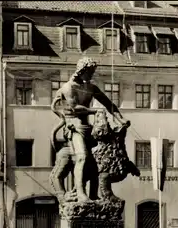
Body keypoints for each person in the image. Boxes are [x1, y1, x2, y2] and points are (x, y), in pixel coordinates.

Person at [50, 57, 130, 202]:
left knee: (95, 162)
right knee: (82, 157)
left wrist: (120, 119)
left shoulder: (91, 88)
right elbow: (75, 108)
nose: (92, 74)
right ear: (82, 71)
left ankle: (93, 194)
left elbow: (109, 104)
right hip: (74, 127)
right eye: (90, 71)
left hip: (88, 128)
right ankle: (81, 193)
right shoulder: (69, 87)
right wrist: (95, 111)